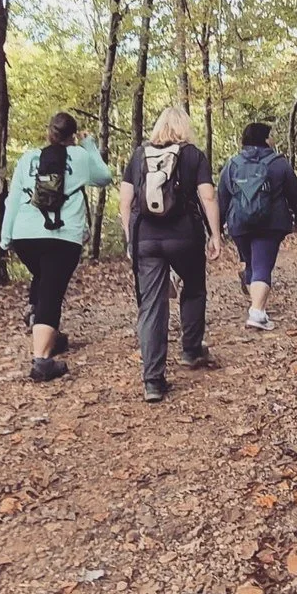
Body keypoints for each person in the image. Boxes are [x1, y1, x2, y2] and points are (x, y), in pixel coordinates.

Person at [0, 111, 114, 382]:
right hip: (62, 236)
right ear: (72, 135)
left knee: (43, 276)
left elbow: (13, 198)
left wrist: (6, 237)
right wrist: (89, 145)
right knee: (51, 289)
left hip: (25, 235)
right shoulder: (82, 157)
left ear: (48, 132)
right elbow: (104, 177)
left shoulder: (28, 157)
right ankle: (41, 360)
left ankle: (44, 325)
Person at [119, 106, 222, 404]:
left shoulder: (140, 155)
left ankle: (153, 381)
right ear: (184, 128)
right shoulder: (193, 155)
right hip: (185, 237)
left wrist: (131, 238)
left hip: (146, 239)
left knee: (151, 305)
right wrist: (215, 235)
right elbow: (208, 196)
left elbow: (125, 202)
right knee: (193, 288)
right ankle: (190, 350)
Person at [218, 121, 297, 331]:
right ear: (265, 139)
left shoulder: (232, 164)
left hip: (239, 224)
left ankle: (257, 306)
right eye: (271, 135)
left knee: (251, 265)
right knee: (262, 266)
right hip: (271, 223)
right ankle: (257, 313)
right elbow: (294, 193)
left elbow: (222, 197)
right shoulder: (279, 163)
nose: (274, 138)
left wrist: (215, 228)